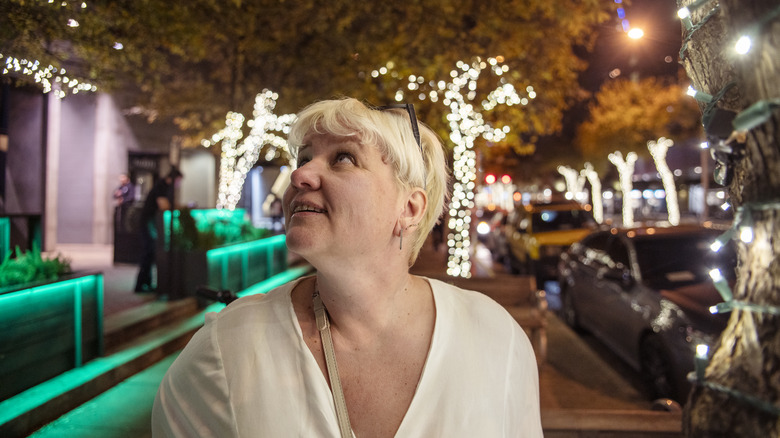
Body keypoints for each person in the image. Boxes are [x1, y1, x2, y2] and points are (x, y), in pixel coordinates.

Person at [151, 98, 542, 437]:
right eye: (303, 159)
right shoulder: (226, 351)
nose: (300, 175)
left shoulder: (494, 339)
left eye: (343, 158)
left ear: (409, 208)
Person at [134, 166, 183, 293]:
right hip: (148, 223)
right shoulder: (162, 186)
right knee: (148, 253)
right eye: (178, 181)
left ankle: (146, 283)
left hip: (150, 223)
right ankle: (141, 284)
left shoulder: (164, 187)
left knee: (149, 253)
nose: (179, 184)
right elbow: (164, 205)